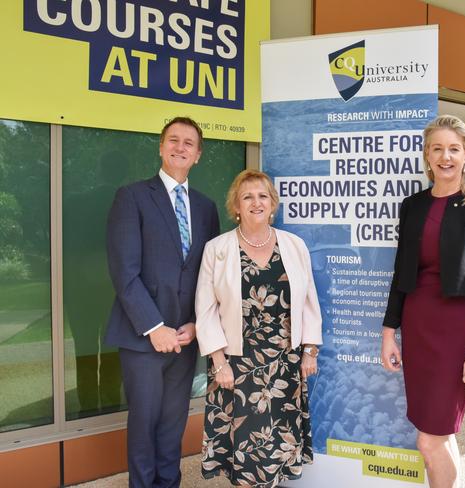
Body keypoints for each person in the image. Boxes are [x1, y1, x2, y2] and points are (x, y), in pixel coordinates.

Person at [381, 114, 465, 488]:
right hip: (419, 327)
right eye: (437, 148)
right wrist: (390, 332)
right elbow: (402, 273)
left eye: (454, 148)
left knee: (430, 438)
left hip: (458, 330)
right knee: (440, 433)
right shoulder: (413, 205)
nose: (446, 156)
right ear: (427, 154)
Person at [105, 117, 220, 488]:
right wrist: (155, 328)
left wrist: (196, 324)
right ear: (160, 146)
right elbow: (125, 272)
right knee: (144, 422)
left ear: (198, 155)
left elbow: (208, 276)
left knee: (173, 424)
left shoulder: (205, 208)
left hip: (185, 338)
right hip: (144, 337)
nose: (180, 147)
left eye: (189, 143)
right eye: (173, 140)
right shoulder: (133, 196)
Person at [195, 169, 322, 488]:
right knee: (247, 453)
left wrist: (309, 350)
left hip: (285, 365)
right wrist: (218, 362)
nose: (256, 202)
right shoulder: (218, 249)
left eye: (263, 195)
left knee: (277, 447)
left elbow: (309, 301)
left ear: (273, 204)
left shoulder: (294, 246)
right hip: (237, 366)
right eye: (247, 196)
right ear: (236, 206)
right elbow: (206, 309)